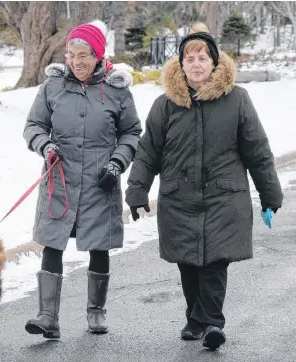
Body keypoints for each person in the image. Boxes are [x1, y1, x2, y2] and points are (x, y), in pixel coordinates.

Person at [125, 22, 283, 350]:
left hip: (223, 196)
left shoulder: (237, 100)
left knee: (214, 261)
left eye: (203, 58)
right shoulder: (165, 105)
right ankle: (194, 318)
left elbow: (257, 149)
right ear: (180, 65)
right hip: (179, 197)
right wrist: (137, 188)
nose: (196, 64)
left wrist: (269, 192)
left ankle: (212, 321)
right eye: (189, 58)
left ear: (214, 63)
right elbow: (148, 151)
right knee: (188, 262)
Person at [22, 20, 141, 338]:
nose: (76, 61)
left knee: (98, 246)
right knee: (52, 243)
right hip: (59, 179)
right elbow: (33, 126)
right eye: (71, 54)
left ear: (98, 55)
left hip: (100, 182)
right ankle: (48, 316)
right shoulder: (53, 87)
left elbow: (131, 133)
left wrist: (118, 163)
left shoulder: (117, 90)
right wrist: (45, 146)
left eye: (84, 55)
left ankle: (96, 313)